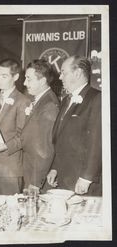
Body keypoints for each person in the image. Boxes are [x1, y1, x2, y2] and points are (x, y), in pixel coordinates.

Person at [46, 55, 102, 196]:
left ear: (77, 73)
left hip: (82, 181)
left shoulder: (97, 98)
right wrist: (55, 168)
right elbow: (61, 138)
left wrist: (86, 178)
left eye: (63, 72)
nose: (60, 77)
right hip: (65, 177)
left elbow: (97, 142)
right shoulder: (66, 100)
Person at [8, 59, 60, 193]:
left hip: (36, 177)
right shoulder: (39, 100)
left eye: (29, 79)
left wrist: (35, 183)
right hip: (30, 170)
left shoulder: (48, 106)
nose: (25, 83)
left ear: (42, 81)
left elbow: (45, 149)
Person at [0, 58, 30, 195]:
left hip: (9, 167)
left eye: (4, 76)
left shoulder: (23, 101)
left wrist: (5, 146)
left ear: (15, 77)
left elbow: (24, 136)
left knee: (10, 211)